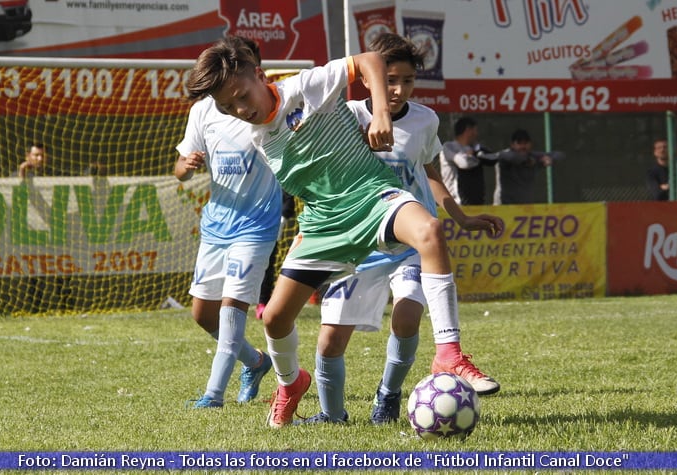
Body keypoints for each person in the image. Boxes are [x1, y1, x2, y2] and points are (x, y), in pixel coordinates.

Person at [185, 36, 501, 428]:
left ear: (260, 76)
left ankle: (448, 353)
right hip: (324, 223)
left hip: (371, 197)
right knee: (275, 320)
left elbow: (368, 59)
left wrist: (382, 111)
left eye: (241, 96)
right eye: (227, 106)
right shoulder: (256, 135)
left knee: (431, 232)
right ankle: (291, 382)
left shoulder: (303, 87)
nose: (240, 109)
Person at [299, 33, 502, 425]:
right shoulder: (347, 116)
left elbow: (429, 174)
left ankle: (388, 395)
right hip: (359, 242)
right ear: (369, 79)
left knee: (406, 317)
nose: (397, 89)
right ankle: (331, 414)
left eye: (407, 81)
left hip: (410, 243)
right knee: (329, 340)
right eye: (389, 79)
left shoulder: (426, 119)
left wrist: (461, 218)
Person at [174, 36, 278, 409]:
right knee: (203, 315)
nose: (237, 105)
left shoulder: (269, 108)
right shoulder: (203, 112)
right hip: (217, 225)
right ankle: (256, 362)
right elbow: (180, 168)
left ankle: (213, 395)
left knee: (232, 309)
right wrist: (185, 167)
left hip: (257, 225)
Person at [488, 129, 562, 205]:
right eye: (519, 143)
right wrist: (527, 161)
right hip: (504, 205)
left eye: (526, 143)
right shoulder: (505, 155)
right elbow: (510, 158)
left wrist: (550, 159)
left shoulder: (533, 156)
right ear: (512, 145)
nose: (523, 146)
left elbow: (559, 154)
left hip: (525, 207)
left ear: (530, 144)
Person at [256, 190, 296, 320]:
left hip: (272, 229)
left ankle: (263, 302)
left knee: (268, 265)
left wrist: (282, 219)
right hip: (252, 226)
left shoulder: (280, 181)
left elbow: (289, 202)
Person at [439, 117, 495, 205]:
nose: (477, 134)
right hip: (456, 202)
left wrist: (475, 153)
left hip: (476, 202)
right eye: (475, 130)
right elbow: (464, 163)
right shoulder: (449, 147)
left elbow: (493, 158)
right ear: (468, 130)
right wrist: (475, 156)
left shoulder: (475, 148)